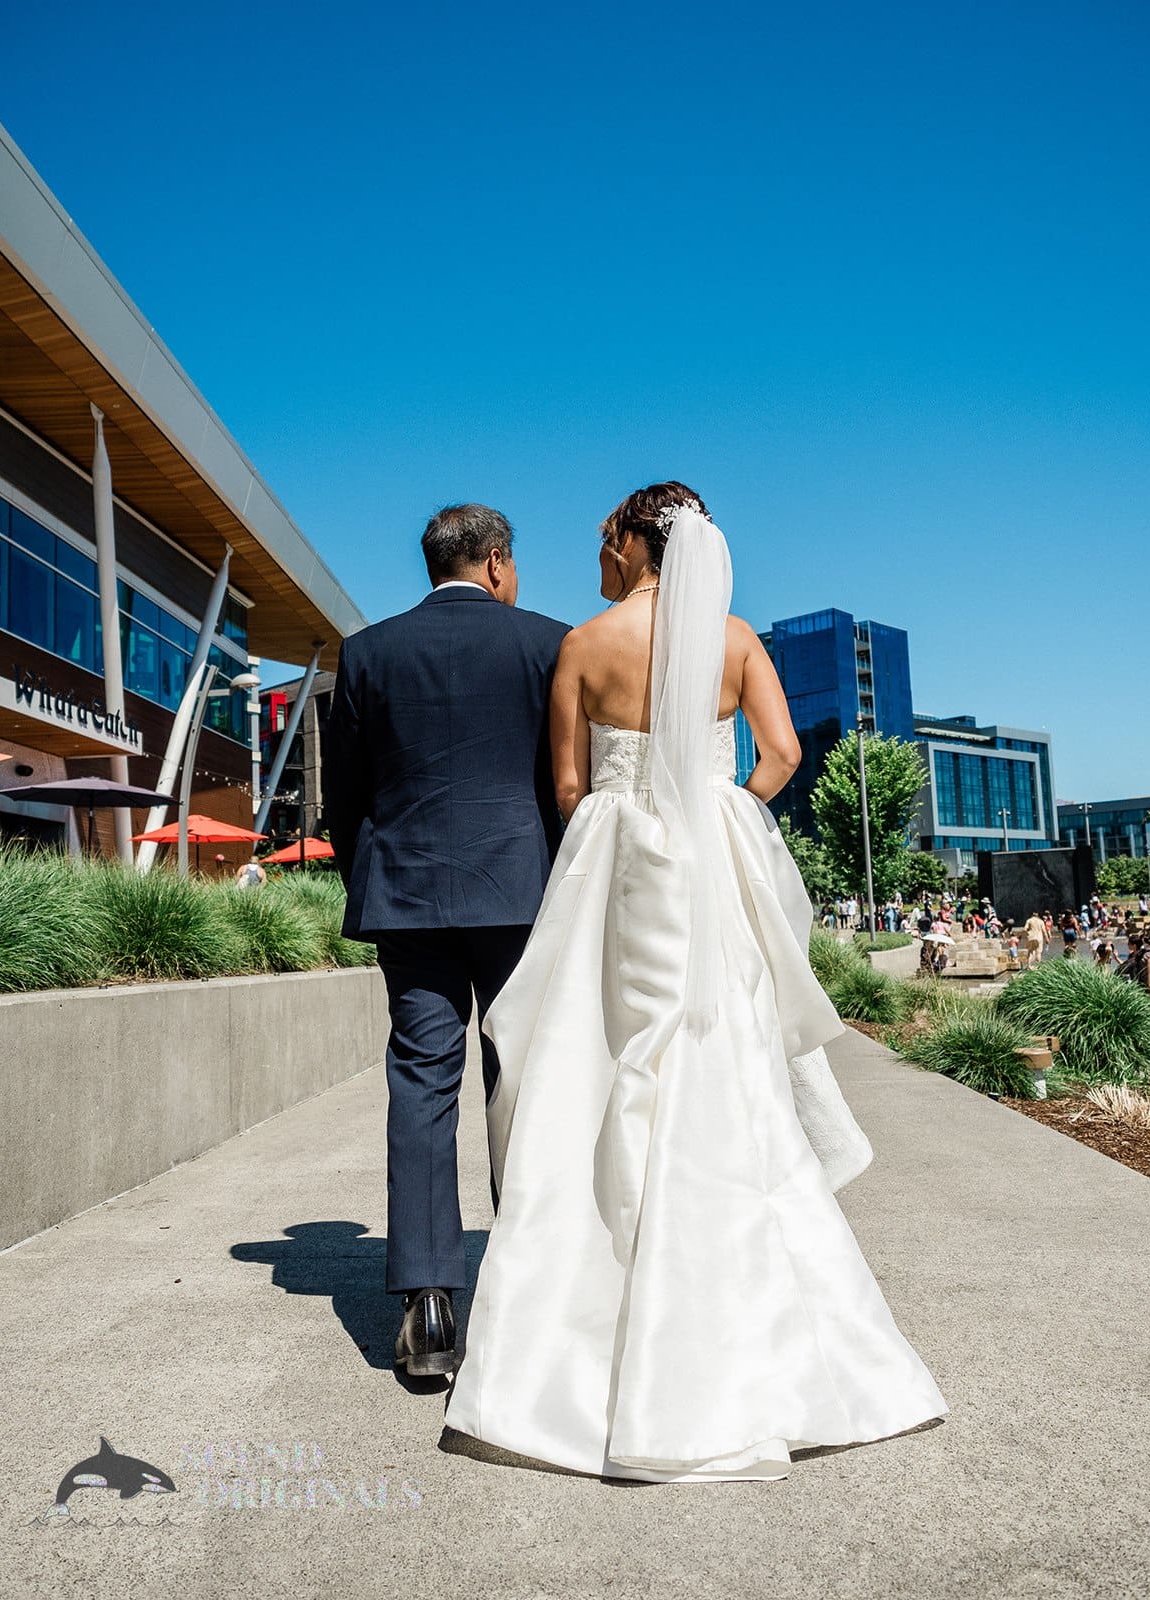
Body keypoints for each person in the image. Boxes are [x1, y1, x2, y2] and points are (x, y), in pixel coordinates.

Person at [444, 482, 948, 1481]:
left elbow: (569, 788)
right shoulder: (736, 640)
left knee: (598, 1063)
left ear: (638, 543)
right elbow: (785, 755)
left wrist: (628, 819)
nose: (599, 555)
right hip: (707, 871)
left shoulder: (583, 646)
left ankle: (590, 1314)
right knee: (727, 1063)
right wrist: (719, 811)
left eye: (607, 539)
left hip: (619, 868)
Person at [323, 504, 569, 1376]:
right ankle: (532, 1283)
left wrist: (374, 875)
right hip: (521, 895)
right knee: (524, 1079)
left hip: (410, 895)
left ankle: (428, 1307)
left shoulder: (368, 652)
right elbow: (565, 782)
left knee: (423, 1080)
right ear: (497, 561)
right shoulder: (548, 644)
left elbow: (343, 797)